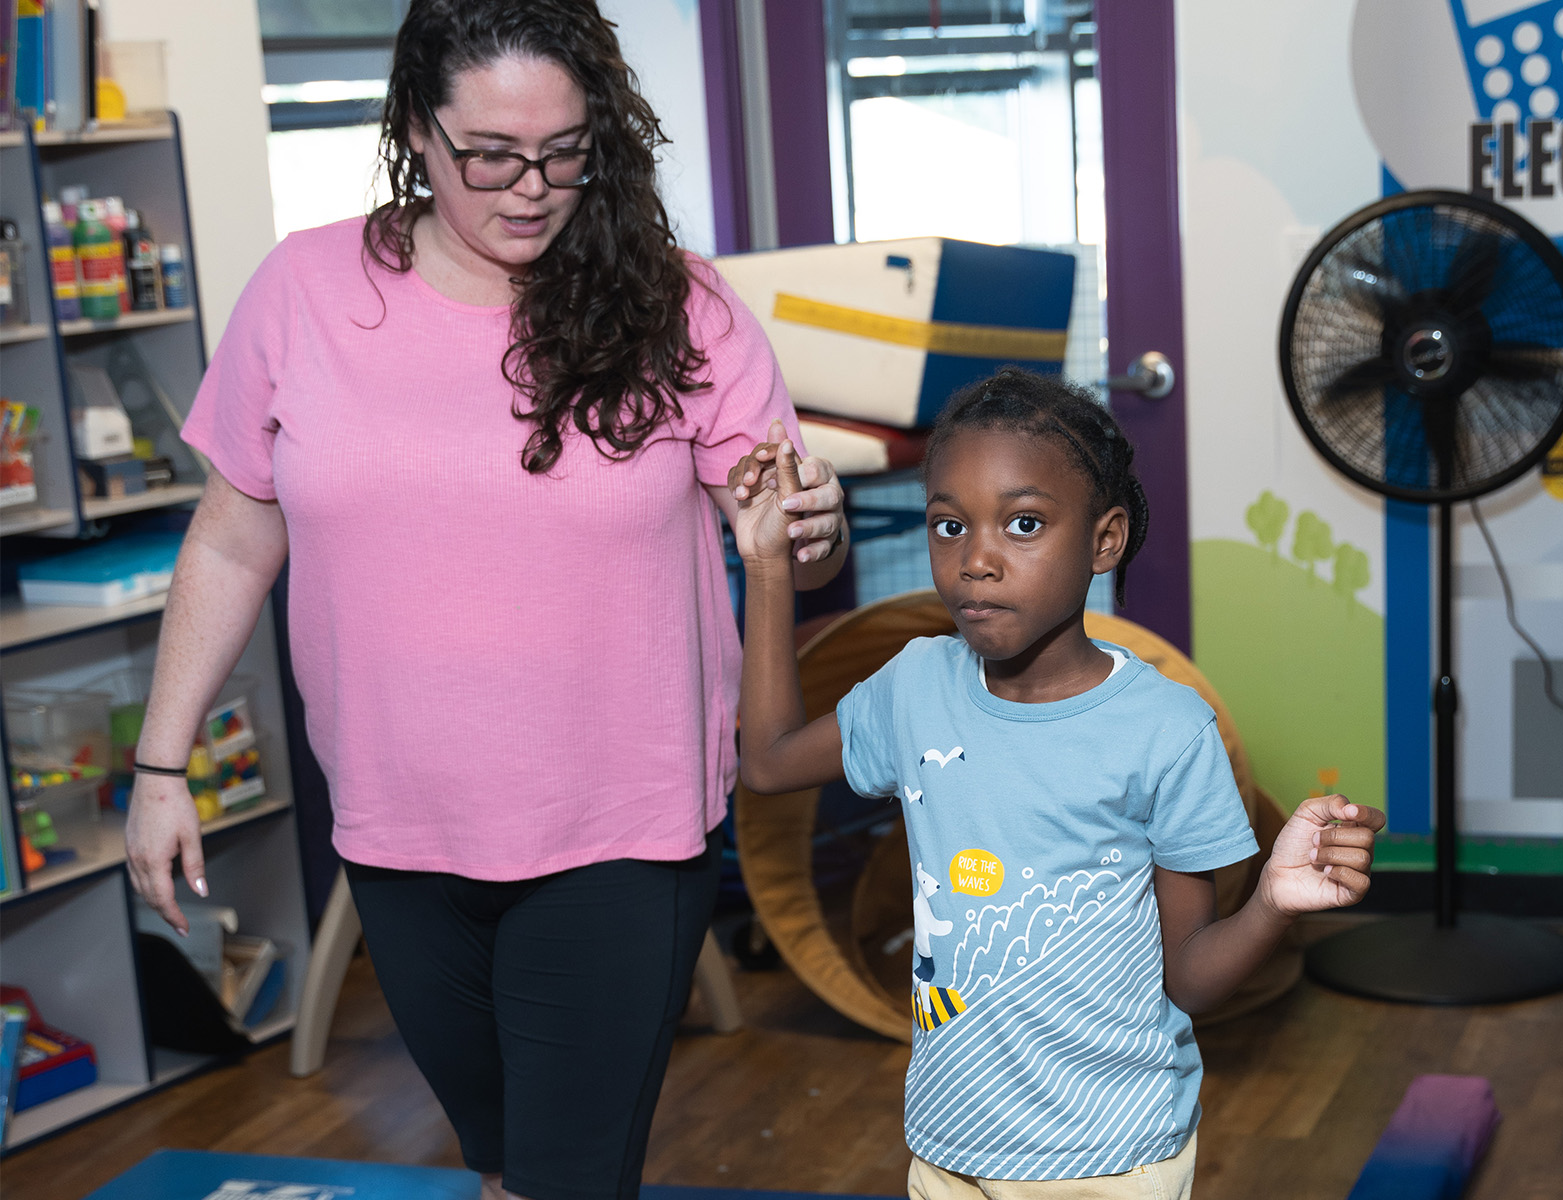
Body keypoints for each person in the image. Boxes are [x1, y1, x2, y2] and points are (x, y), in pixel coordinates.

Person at [123, 4, 845, 1199]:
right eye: (492, 156)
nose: (534, 188)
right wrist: (160, 770)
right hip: (399, 827)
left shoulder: (678, 303)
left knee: (566, 1178)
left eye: (569, 152)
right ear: (415, 128)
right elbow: (235, 534)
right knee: (503, 1165)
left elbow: (784, 544)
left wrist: (802, 535)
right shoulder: (304, 289)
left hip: (622, 824)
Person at [730, 367, 1384, 1197]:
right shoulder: (916, 686)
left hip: (1110, 1156)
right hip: (948, 1144)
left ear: (1103, 541)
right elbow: (770, 760)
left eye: (1024, 523)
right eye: (947, 525)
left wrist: (1269, 905)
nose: (975, 560)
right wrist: (766, 568)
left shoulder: (1166, 730)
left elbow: (1191, 978)